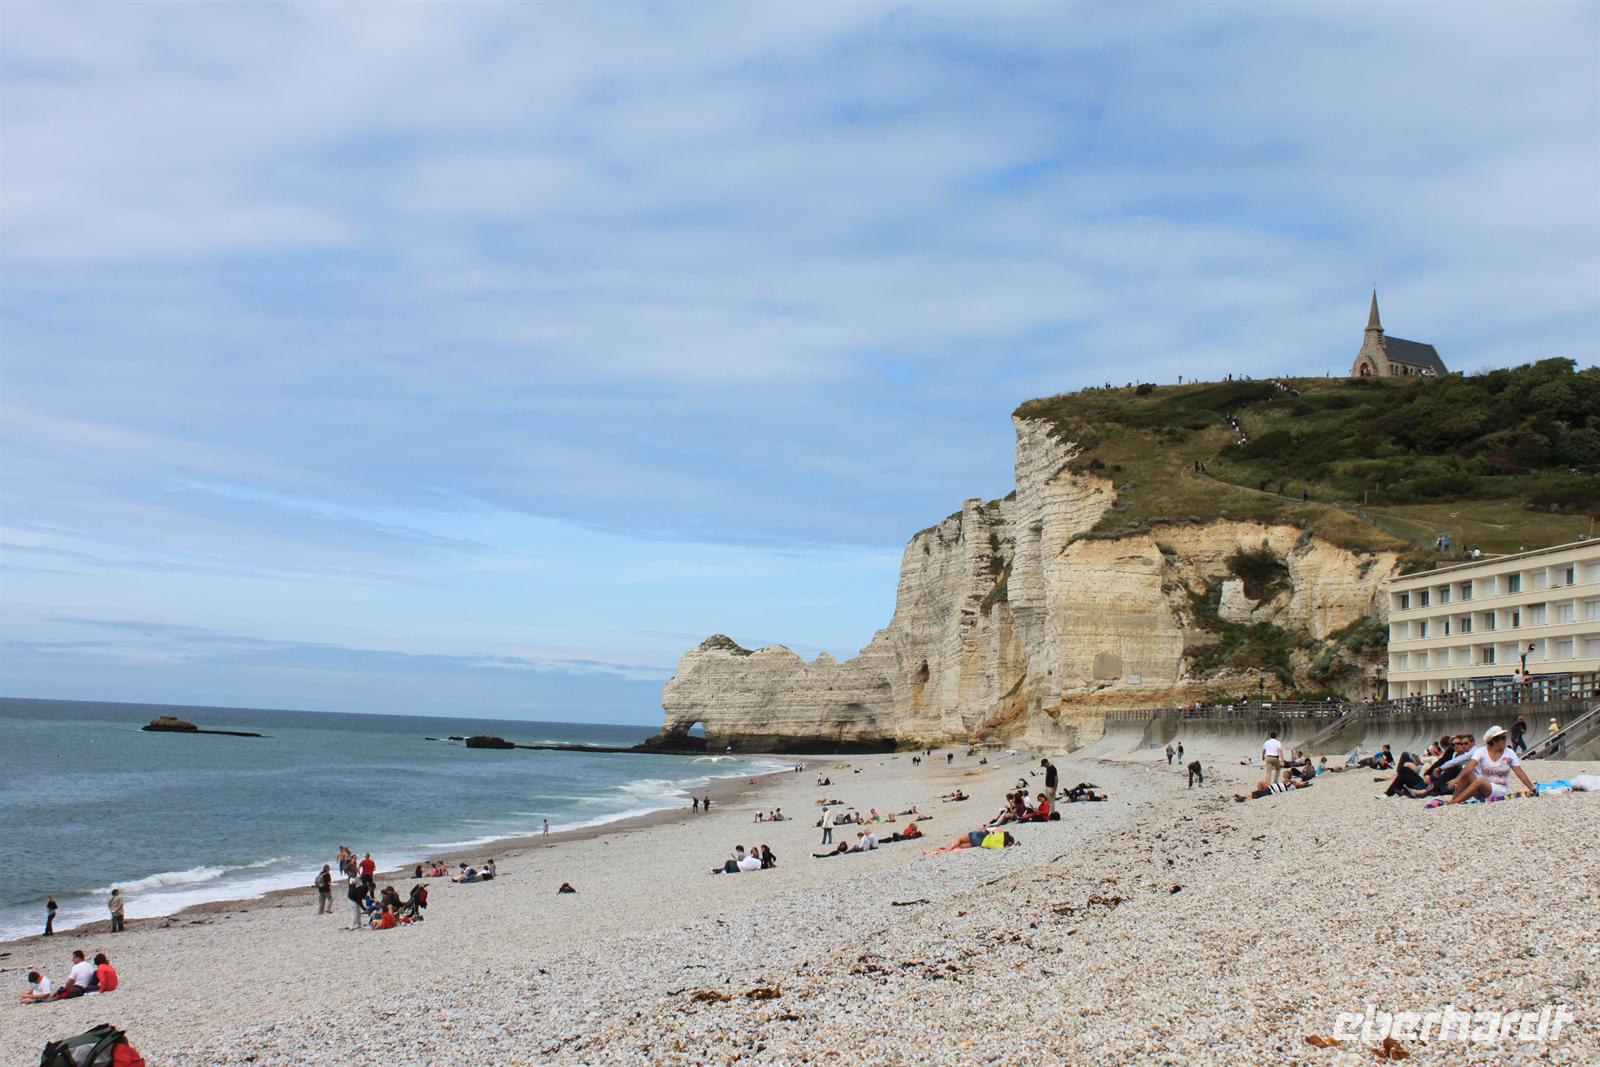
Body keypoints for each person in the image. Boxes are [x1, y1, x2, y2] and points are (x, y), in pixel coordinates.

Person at [1450, 726, 1537, 803]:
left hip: (1499, 790)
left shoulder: (1509, 753)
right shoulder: (1481, 751)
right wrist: (1457, 779)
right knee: (1467, 773)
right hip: (1480, 788)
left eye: (1505, 737)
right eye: (1503, 738)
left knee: (1479, 781)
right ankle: (1453, 799)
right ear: (1494, 741)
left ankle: (1453, 803)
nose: (1505, 740)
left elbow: (1519, 772)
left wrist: (1532, 788)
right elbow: (1470, 766)